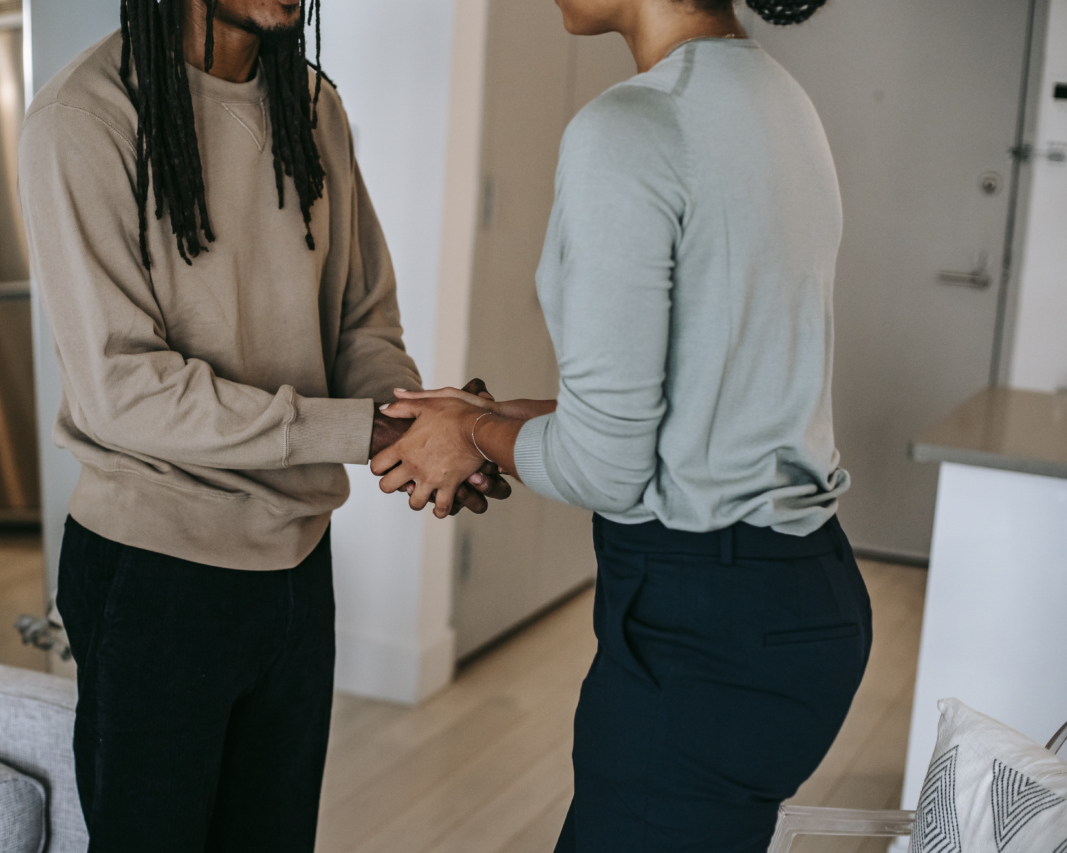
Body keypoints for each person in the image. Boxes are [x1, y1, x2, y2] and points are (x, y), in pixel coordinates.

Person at [371, 0, 871, 849]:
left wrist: (468, 438)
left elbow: (609, 466)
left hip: (702, 629)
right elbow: (698, 400)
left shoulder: (629, 126)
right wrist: (488, 415)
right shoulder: (780, 99)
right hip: (800, 594)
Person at [17, 0, 507, 848]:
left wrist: (423, 430)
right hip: (156, 575)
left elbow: (362, 320)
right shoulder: (83, 119)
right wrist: (374, 434)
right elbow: (124, 390)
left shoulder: (311, 106)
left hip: (295, 567)